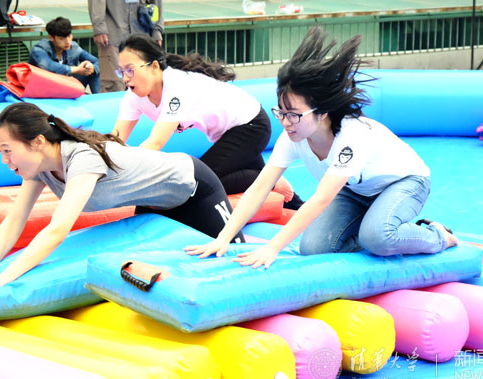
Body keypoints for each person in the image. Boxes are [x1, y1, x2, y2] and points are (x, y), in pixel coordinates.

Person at [185, 26, 459, 268]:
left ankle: (438, 235)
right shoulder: (292, 136)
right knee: (313, 249)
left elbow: (321, 199)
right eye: (281, 113)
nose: (286, 122)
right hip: (356, 191)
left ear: (322, 112)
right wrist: (223, 237)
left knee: (378, 237)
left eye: (294, 114)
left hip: (405, 182)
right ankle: (372, 229)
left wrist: (273, 247)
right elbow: (260, 187)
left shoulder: (351, 136)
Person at [0, 102, 243, 286]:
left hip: (194, 188)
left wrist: (5, 277)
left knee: (233, 260)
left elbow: (57, 229)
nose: (5, 161)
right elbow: (14, 220)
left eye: (7, 150)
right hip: (154, 205)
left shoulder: (81, 158)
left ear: (37, 142)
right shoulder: (39, 168)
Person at [112, 34, 303, 209]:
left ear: (154, 67)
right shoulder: (133, 97)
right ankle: (295, 203)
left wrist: (131, 175)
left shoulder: (176, 86)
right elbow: (115, 139)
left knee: (200, 182)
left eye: (130, 70)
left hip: (250, 125)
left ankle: (270, 181)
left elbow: (155, 143)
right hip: (227, 134)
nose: (126, 78)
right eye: (121, 72)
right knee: (233, 174)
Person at [88, 0, 164, 93]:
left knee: (143, 81)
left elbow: (158, 3)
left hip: (142, 31)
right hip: (112, 32)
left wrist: (157, 31)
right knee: (113, 84)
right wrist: (99, 27)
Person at [29, 17, 101, 94]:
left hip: (66, 86)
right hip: (45, 89)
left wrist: (91, 68)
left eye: (69, 36)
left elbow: (97, 61)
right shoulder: (39, 49)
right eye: (61, 38)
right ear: (51, 37)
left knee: (94, 71)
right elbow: (49, 67)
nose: (67, 41)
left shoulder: (73, 47)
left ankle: (100, 98)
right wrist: (77, 69)